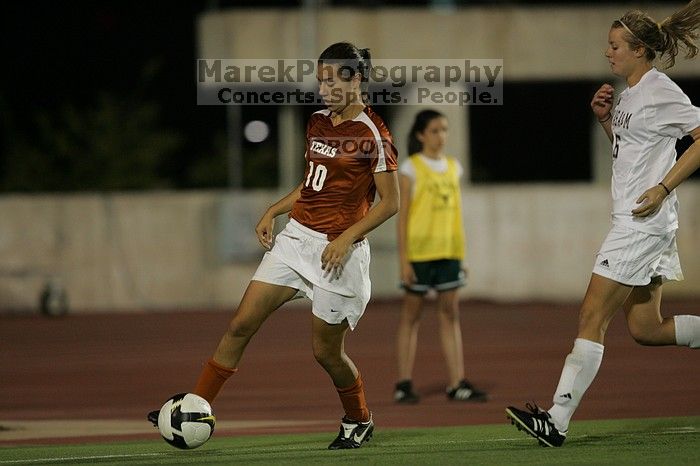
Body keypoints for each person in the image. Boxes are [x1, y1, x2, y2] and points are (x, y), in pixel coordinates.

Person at [149, 42, 399, 450]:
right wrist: (274, 210)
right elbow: (312, 186)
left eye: (331, 80)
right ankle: (195, 406)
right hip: (296, 240)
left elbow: (392, 202)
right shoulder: (318, 121)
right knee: (241, 324)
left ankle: (359, 419)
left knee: (325, 354)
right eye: (320, 80)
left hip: (339, 256)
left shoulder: (373, 133)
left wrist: (346, 237)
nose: (323, 89)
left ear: (355, 80)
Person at [506, 1, 700, 448]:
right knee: (646, 330)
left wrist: (664, 187)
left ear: (639, 49)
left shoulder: (660, 89)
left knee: (591, 315)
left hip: (641, 223)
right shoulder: (630, 92)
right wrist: (606, 121)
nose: (606, 52)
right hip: (642, 221)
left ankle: (555, 420)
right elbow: (632, 152)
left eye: (614, 46)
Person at [393, 110, 488, 404]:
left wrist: (462, 256)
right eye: (434, 130)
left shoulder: (453, 167)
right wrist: (404, 260)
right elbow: (403, 216)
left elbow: (456, 215)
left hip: (449, 252)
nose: (441, 136)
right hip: (420, 253)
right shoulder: (411, 168)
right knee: (412, 317)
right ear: (421, 135)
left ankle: (457, 382)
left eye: (444, 129)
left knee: (450, 316)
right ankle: (404, 383)